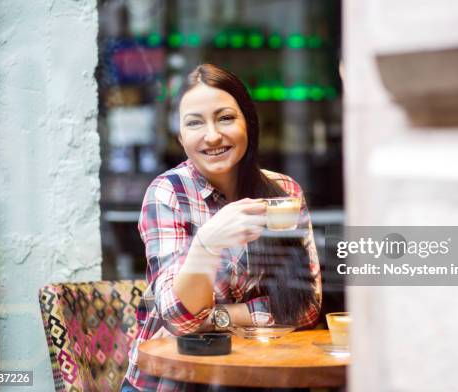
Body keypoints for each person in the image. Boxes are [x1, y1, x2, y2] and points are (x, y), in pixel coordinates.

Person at [122, 64, 321, 392]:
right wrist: (206, 245)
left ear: (248, 124)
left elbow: (305, 307)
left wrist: (217, 316)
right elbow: (180, 319)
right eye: (194, 123)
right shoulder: (168, 192)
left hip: (259, 376)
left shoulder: (284, 192)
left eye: (226, 117)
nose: (212, 135)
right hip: (174, 383)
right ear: (180, 137)